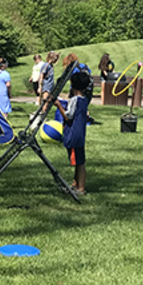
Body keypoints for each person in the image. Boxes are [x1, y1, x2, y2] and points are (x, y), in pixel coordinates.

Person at [62, 59, 91, 196]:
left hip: (73, 134)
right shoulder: (84, 99)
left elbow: (68, 116)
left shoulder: (74, 100)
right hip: (80, 135)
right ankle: (75, 184)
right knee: (78, 160)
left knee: (79, 162)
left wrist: (58, 105)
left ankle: (81, 188)